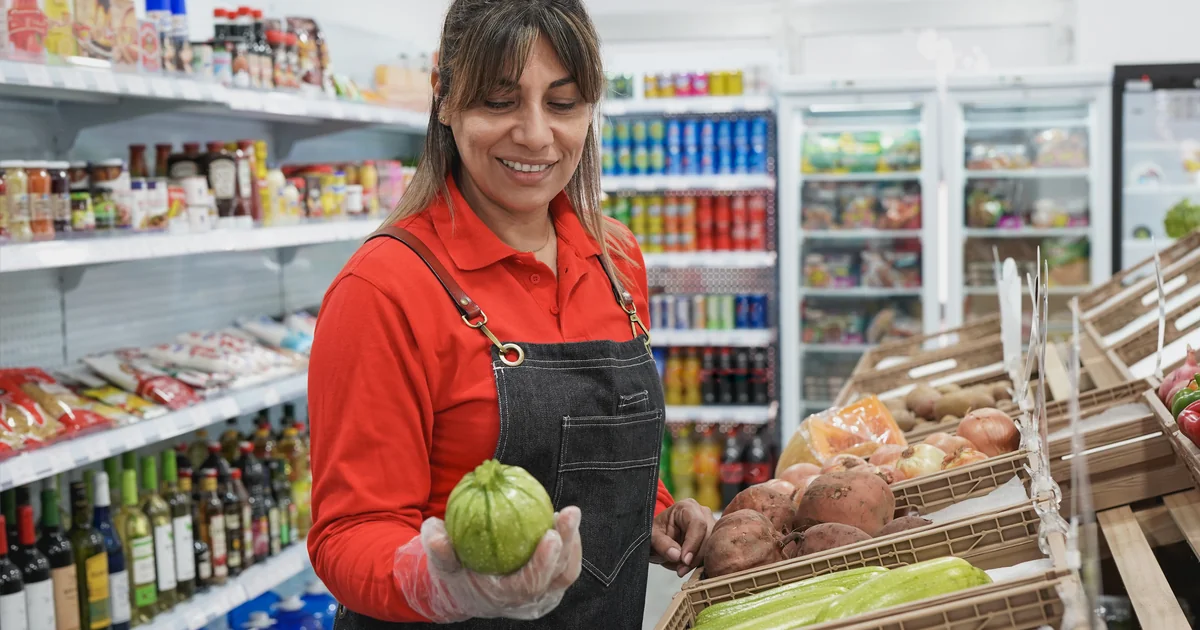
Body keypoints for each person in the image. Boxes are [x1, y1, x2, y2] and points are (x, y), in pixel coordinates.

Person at [306, 1, 714, 627]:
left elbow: (591, 453)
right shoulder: (382, 289)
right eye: (499, 102)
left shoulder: (616, 258)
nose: (535, 134)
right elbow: (349, 533)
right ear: (444, 97)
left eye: (563, 103)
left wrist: (651, 509)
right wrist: (444, 586)